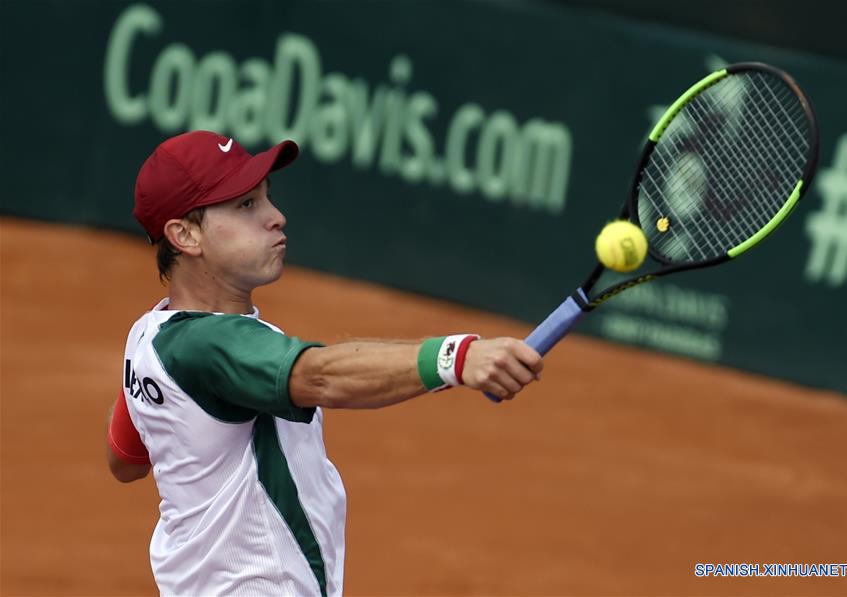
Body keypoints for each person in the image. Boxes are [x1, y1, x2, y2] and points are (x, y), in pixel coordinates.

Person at [106, 130, 543, 596]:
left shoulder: (150, 336)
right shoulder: (211, 345)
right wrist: (456, 357)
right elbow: (319, 375)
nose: (276, 217)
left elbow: (125, 461)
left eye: (266, 198)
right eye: (246, 206)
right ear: (184, 235)